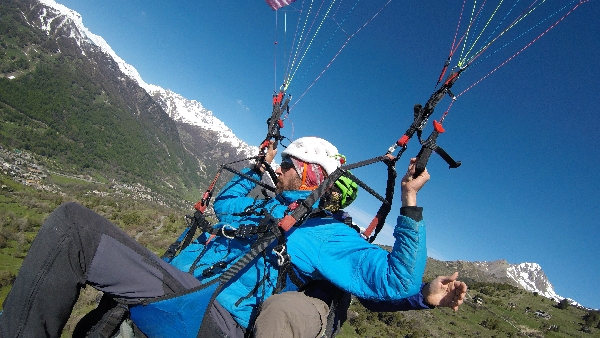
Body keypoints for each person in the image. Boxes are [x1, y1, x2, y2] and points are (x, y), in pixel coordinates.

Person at [0, 136, 443, 338]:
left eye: (286, 163)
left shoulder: (321, 232)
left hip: (208, 315)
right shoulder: (269, 205)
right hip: (178, 292)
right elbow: (224, 207)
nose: (280, 170)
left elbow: (397, 282)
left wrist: (410, 202)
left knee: (74, 228)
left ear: (307, 173)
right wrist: (257, 164)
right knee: (74, 232)